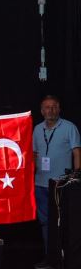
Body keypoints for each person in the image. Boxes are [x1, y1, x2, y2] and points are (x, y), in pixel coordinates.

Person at [33, 95, 80, 260]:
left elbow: (77, 152)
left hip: (61, 184)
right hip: (40, 184)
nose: (50, 110)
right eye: (47, 107)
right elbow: (34, 154)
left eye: (54, 107)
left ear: (59, 109)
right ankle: (50, 258)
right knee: (45, 222)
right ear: (42, 111)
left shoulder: (69, 127)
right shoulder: (37, 129)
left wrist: (76, 175)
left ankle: (64, 260)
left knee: (63, 222)